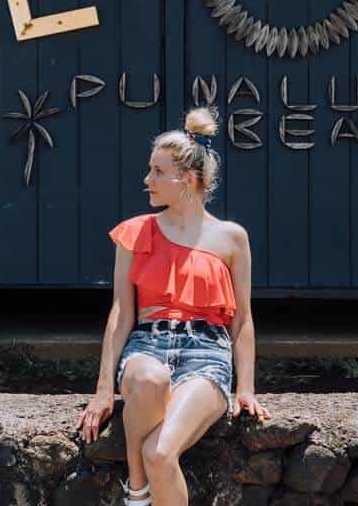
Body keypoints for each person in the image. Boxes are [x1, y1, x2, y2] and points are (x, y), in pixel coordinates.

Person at [77, 107, 272, 506]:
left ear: (189, 180)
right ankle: (137, 487)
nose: (147, 180)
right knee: (150, 381)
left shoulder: (231, 238)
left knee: (162, 453)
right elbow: (121, 313)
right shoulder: (136, 232)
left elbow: (241, 319)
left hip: (207, 354)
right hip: (146, 346)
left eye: (157, 172)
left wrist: (247, 387)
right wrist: (102, 390)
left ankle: (140, 485)